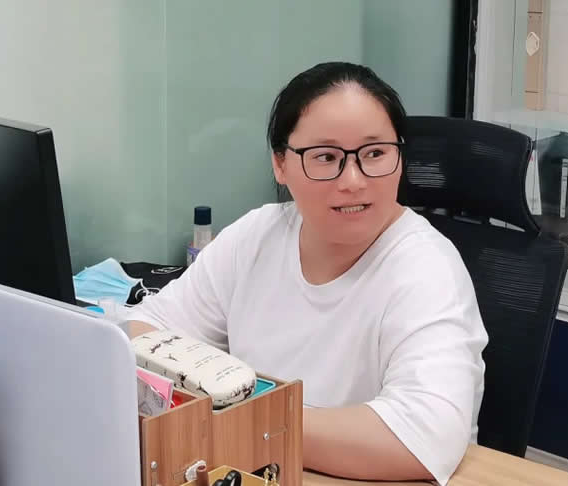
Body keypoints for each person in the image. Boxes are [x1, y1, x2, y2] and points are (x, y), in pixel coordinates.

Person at [127, 61, 487, 485]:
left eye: (375, 153)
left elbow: (423, 437)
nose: (353, 180)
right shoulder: (257, 235)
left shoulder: (427, 269)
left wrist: (239, 422)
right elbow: (143, 332)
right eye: (326, 157)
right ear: (280, 164)